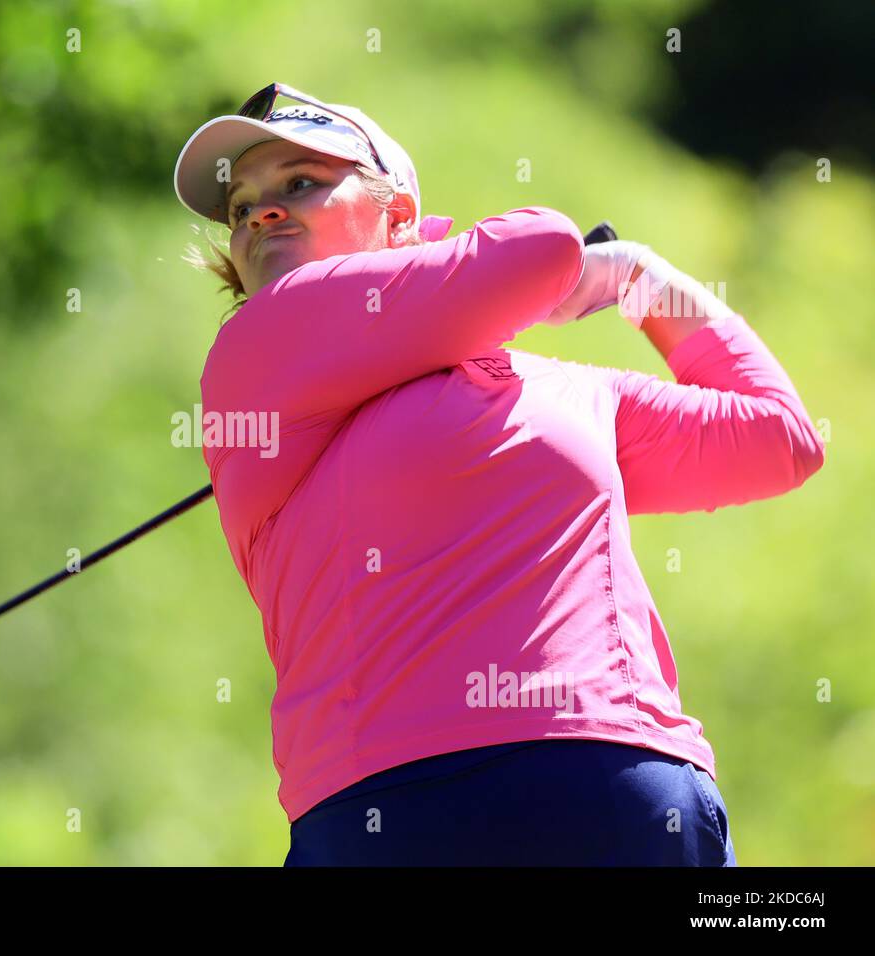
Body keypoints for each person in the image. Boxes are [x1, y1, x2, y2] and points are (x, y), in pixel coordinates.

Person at [172, 82, 826, 865]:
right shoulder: (258, 347)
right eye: (242, 207)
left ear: (400, 216)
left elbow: (780, 439)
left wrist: (640, 275)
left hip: (613, 780)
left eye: (299, 185)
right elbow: (539, 247)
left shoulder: (564, 389)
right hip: (388, 813)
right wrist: (591, 273)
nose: (261, 215)